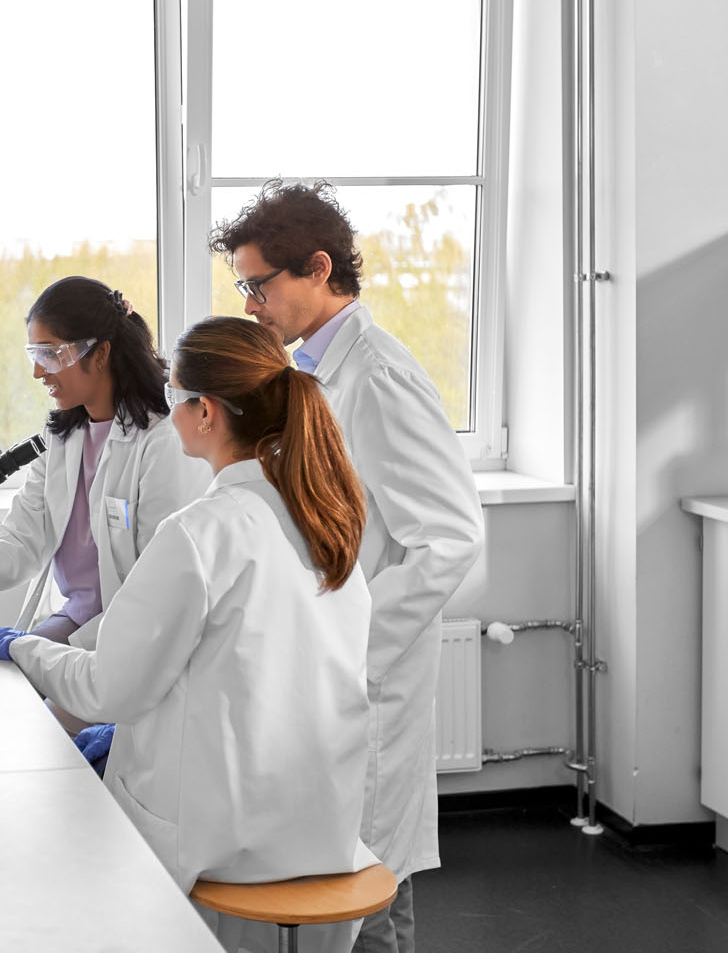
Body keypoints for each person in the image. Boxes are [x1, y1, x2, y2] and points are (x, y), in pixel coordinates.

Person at [0, 315, 375, 953]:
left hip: (222, 840)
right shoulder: (325, 520)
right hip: (318, 826)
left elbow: (108, 689)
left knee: (51, 834)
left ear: (205, 413)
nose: (168, 415)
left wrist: (23, 648)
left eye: (175, 400)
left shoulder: (201, 533)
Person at [211, 180, 484, 953]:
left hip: (364, 681)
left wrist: (350, 649)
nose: (250, 303)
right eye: (244, 287)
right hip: (325, 674)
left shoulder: (382, 376)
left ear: (320, 268)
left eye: (259, 285)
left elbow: (452, 538)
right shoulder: (315, 375)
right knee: (340, 890)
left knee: (365, 901)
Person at [0, 276, 209, 666]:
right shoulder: (63, 435)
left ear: (99, 354)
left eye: (49, 354)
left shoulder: (163, 441)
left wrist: (50, 654)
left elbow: (157, 586)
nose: (37, 372)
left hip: (133, 637)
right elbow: (22, 535)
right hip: (78, 621)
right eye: (33, 353)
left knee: (31, 713)